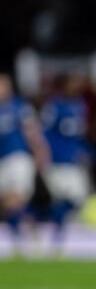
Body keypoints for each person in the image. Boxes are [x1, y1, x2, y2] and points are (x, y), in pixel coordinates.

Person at [40, 74, 95, 251]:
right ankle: (53, 235)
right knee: (59, 199)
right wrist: (45, 157)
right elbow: (45, 135)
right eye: (73, 82)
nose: (76, 85)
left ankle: (53, 231)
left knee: (78, 200)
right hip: (57, 161)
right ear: (64, 85)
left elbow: (79, 135)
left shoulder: (80, 105)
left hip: (74, 161)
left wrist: (86, 152)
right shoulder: (53, 106)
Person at [0, 72, 51, 254]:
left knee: (17, 197)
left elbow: (32, 132)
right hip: (2, 160)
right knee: (7, 203)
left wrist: (41, 153)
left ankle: (25, 238)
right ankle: (29, 229)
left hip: (18, 158)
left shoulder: (19, 106)